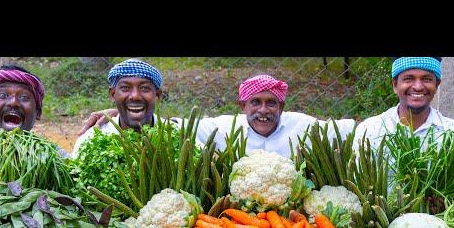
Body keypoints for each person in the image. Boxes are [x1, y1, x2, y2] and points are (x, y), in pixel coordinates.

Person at [77, 73, 356, 158]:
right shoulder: (222, 128)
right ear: (242, 105)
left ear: (282, 107)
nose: (263, 111)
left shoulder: (304, 125)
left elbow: (352, 128)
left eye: (272, 104)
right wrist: (122, 110)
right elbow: (171, 124)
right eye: (255, 102)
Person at [353, 57, 454, 150]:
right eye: (409, 79)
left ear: (436, 85)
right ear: (395, 85)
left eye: (426, 79)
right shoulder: (370, 132)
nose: (418, 87)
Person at [72, 58, 170, 157]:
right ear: (113, 94)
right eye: (125, 88)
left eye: (144, 88)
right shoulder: (90, 142)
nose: (135, 96)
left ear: (157, 95)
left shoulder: (177, 134)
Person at [0, 65, 46, 133]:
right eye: (3, 95)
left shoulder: (52, 144)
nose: (13, 102)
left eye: (24, 97)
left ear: (38, 112)